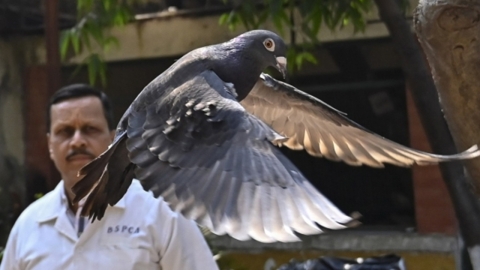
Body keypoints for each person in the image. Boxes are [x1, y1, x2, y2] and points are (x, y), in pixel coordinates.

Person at [0, 84, 219, 270]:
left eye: (90, 129)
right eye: (65, 131)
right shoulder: (28, 225)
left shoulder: (159, 211)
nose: (77, 141)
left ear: (113, 140)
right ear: (50, 144)